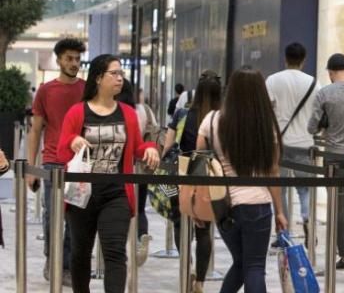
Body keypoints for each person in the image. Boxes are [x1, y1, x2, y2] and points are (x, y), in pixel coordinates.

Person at [56, 54, 160, 292]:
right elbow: (61, 153)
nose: (119, 78)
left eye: (121, 74)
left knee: (115, 252)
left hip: (116, 194)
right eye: (114, 73)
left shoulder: (127, 113)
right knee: (81, 253)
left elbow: (135, 149)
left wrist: (151, 149)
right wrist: (73, 140)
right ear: (98, 78)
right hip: (82, 195)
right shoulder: (77, 112)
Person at [196, 69, 287, 293]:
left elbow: (198, 164)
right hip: (257, 203)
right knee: (254, 266)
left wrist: (199, 206)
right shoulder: (266, 126)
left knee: (241, 263)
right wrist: (280, 211)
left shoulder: (212, 120)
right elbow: (272, 171)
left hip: (224, 206)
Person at [26, 38, 86, 285]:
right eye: (69, 58)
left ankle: (67, 266)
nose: (74, 63)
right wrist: (32, 168)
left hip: (80, 164)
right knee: (53, 216)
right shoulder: (46, 90)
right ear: (59, 60)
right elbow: (36, 130)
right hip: (52, 162)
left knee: (75, 217)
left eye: (77, 59)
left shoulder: (87, 88)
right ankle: (53, 259)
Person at [161, 71, 222, 292]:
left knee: (179, 222)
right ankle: (200, 283)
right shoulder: (221, 117)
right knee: (205, 229)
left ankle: (187, 267)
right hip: (210, 176)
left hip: (182, 174)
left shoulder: (182, 115)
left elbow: (168, 148)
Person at [307, 53, 344, 270]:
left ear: (330, 72)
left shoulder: (324, 94)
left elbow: (312, 127)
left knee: (338, 205)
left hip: (333, 155)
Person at [266, 42, 317, 240]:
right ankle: (307, 218)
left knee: (280, 189)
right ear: (303, 60)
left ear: (285, 59)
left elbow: (267, 108)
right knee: (305, 188)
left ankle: (283, 233)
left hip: (280, 142)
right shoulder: (313, 82)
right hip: (305, 142)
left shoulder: (273, 80)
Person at [115, 81, 158, 265]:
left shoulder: (115, 110)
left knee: (119, 209)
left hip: (120, 169)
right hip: (142, 167)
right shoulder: (144, 110)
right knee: (139, 208)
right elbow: (155, 131)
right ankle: (141, 239)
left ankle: (122, 246)